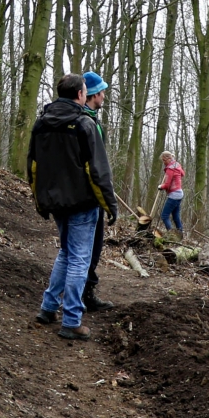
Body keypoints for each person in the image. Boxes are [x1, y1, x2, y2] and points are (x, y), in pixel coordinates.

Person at [27, 73, 117, 341]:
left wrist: (40, 200)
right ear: (80, 94)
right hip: (81, 203)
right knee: (79, 258)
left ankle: (48, 308)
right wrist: (110, 204)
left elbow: (33, 166)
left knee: (66, 253)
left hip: (55, 202)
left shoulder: (41, 122)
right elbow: (98, 171)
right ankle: (71, 321)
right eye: (86, 91)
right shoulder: (84, 124)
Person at [81, 70, 114, 312]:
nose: (104, 96)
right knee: (91, 246)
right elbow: (97, 166)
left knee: (74, 249)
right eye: (102, 92)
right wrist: (108, 201)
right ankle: (85, 295)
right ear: (94, 95)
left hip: (75, 193)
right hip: (90, 194)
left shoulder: (82, 118)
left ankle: (72, 295)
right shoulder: (88, 122)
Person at [158, 150, 185, 234]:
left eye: (164, 160)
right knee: (176, 216)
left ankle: (171, 235)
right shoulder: (177, 165)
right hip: (179, 193)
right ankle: (180, 234)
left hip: (174, 195)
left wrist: (160, 186)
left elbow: (167, 185)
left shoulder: (170, 169)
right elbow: (182, 173)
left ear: (169, 158)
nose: (164, 162)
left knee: (164, 216)